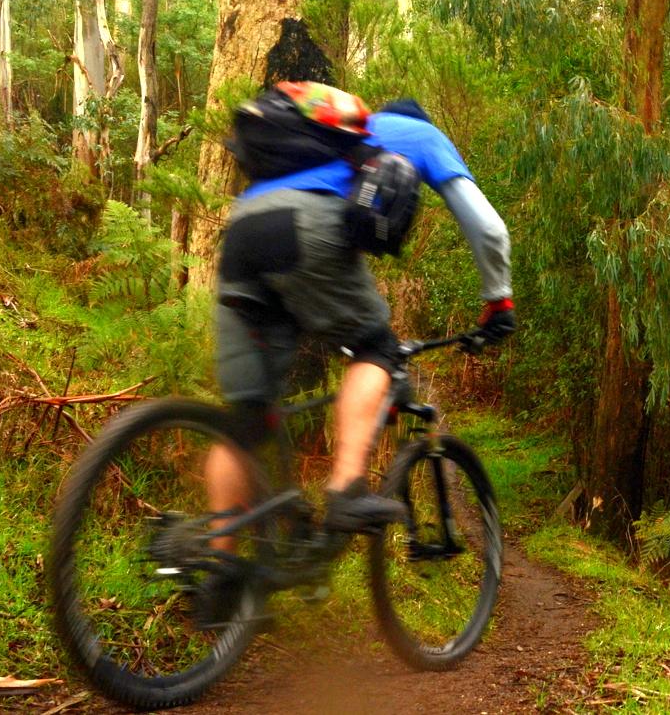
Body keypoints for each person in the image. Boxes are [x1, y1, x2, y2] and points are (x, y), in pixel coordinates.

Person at [200, 91, 513, 618]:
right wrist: (498, 301)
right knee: (376, 349)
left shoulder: (327, 135)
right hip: (306, 225)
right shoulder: (421, 134)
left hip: (243, 231)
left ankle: (218, 570)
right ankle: (346, 488)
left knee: (246, 421)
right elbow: (486, 226)